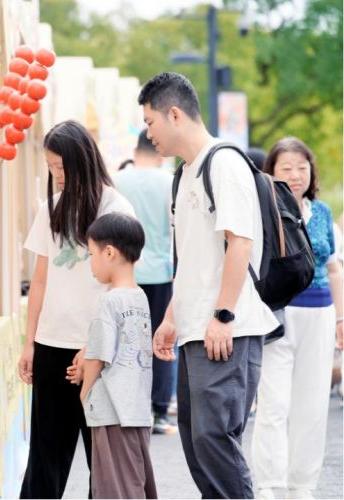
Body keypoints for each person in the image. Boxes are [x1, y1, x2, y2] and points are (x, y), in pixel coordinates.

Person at [140, 72, 278, 498]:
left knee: (214, 437)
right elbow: (191, 260)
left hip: (225, 329)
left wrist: (223, 315)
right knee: (196, 440)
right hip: (195, 329)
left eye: (150, 122)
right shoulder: (184, 175)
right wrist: (169, 318)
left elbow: (240, 243)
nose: (148, 133)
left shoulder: (225, 163)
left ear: (174, 113)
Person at [17, 120, 135, 498]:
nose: (57, 175)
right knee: (45, 459)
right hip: (52, 345)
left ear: (82, 160)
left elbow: (123, 285)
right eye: (51, 167)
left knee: (101, 460)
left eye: (62, 167)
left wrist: (94, 347)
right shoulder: (50, 209)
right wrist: (29, 342)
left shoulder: (115, 208)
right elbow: (40, 280)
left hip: (100, 350)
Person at [252, 137, 344, 499]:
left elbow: (334, 268)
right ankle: (269, 485)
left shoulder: (321, 213)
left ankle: (300, 486)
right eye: (286, 168)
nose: (295, 175)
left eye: (301, 167)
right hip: (278, 314)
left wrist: (341, 318)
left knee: (312, 404)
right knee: (274, 402)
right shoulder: (263, 210)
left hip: (319, 315)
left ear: (311, 171)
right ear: (271, 172)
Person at [80, 212, 157, 499]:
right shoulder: (139, 296)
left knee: (114, 487)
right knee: (135, 479)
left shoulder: (109, 300)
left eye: (91, 254)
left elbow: (99, 356)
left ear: (109, 252)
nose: (91, 263)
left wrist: (85, 391)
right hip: (136, 406)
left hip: (111, 409)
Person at [113, 129, 176, 435]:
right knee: (161, 340)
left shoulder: (118, 180)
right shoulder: (169, 181)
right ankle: (160, 409)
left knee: (127, 340)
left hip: (127, 273)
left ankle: (131, 404)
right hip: (162, 272)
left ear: (135, 149)